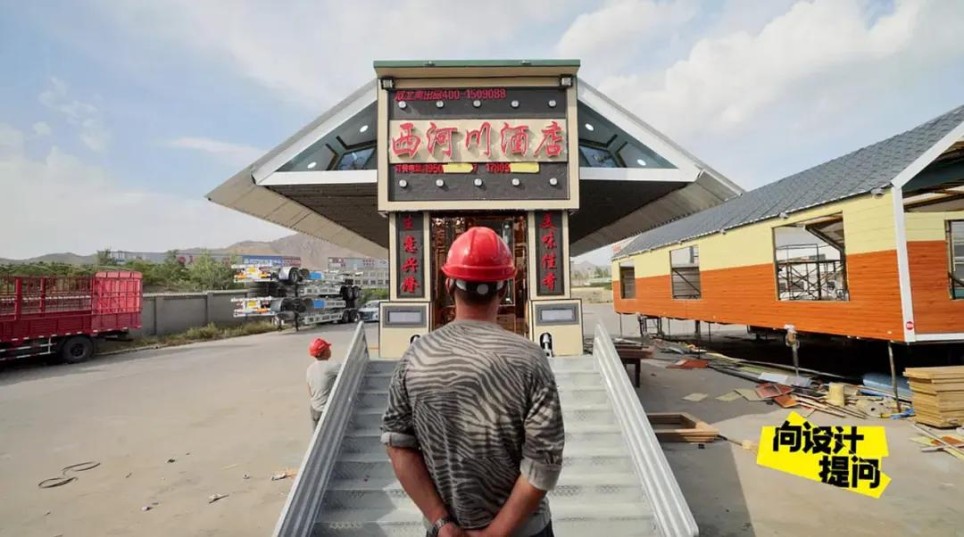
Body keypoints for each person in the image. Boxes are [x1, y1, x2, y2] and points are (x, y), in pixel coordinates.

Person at [381, 226, 565, 537]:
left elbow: (397, 444)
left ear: (449, 284)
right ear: (503, 288)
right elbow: (544, 461)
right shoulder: (530, 359)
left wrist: (442, 522)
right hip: (524, 531)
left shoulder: (415, 356)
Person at [306, 337, 339, 430]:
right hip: (325, 411)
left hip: (315, 409)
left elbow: (310, 390)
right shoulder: (332, 366)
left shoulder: (310, 368)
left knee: (318, 435)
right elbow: (350, 370)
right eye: (328, 348)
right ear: (324, 352)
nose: (330, 350)